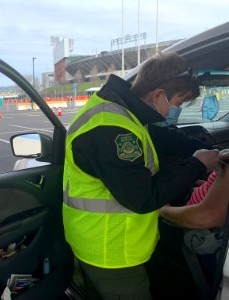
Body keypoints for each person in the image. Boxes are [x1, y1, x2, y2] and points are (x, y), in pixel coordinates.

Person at [62, 53, 220, 300]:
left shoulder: (124, 110)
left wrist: (200, 148)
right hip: (111, 252)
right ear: (158, 95)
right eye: (178, 101)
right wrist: (197, 165)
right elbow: (143, 197)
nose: (177, 108)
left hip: (116, 243)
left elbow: (159, 138)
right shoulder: (110, 128)